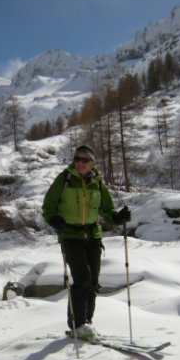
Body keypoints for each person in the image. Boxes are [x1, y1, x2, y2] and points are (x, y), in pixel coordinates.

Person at [41, 145, 130, 340]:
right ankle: (77, 324)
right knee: (82, 280)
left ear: (93, 163)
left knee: (93, 282)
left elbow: (107, 209)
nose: (80, 163)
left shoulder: (97, 182)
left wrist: (118, 218)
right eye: (77, 159)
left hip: (93, 235)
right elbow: (48, 206)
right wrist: (54, 219)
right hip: (70, 236)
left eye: (84, 160)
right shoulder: (64, 179)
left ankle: (87, 323)